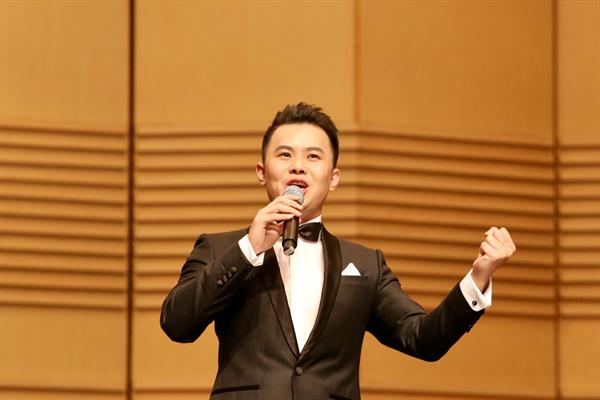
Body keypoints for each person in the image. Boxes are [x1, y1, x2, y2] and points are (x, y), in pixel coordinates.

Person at [160, 103, 516, 400]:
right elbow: (177, 324)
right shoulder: (221, 248)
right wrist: (249, 249)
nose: (297, 165)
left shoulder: (365, 264)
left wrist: (478, 278)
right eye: (284, 154)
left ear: (333, 178)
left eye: (313, 156)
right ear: (261, 171)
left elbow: (423, 338)